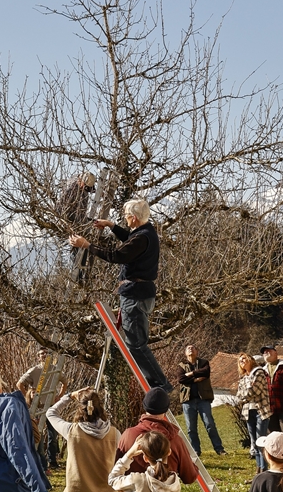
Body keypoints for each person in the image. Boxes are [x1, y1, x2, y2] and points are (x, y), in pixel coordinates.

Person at [69, 198, 171, 390]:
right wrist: (111, 226)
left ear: (134, 218)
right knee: (136, 343)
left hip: (135, 294)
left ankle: (160, 385)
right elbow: (129, 240)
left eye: (126, 216)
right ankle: (158, 383)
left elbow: (116, 255)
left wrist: (87, 245)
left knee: (136, 345)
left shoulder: (141, 238)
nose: (125, 219)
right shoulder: (146, 232)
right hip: (140, 293)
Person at [115, 388, 198, 485]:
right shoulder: (175, 439)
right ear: (166, 409)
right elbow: (189, 477)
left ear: (144, 406)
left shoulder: (128, 435)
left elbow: (117, 471)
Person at [18, 349, 65, 471]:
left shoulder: (55, 370)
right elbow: (19, 384)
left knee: (53, 435)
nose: (44, 355)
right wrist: (27, 397)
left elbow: (65, 382)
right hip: (37, 407)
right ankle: (39, 463)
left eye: (46, 353)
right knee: (38, 435)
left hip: (51, 407)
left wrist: (59, 396)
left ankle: (52, 462)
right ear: (38, 357)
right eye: (41, 354)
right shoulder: (34, 370)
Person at [177, 344, 225, 456]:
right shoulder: (181, 365)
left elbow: (206, 372)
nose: (190, 349)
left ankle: (219, 449)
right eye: (188, 348)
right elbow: (181, 379)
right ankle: (196, 450)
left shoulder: (204, 362)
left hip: (203, 399)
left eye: (193, 348)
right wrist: (196, 379)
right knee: (191, 428)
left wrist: (191, 374)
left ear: (197, 351)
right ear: (185, 353)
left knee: (210, 424)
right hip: (188, 401)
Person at [234, 354, 271, 473]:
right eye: (240, 360)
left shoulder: (259, 373)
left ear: (250, 360)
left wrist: (245, 394)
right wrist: (246, 393)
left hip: (261, 410)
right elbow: (238, 395)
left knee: (261, 440)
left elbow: (255, 390)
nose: (242, 361)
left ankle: (264, 468)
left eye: (244, 358)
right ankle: (258, 468)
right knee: (254, 442)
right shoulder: (243, 377)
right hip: (248, 412)